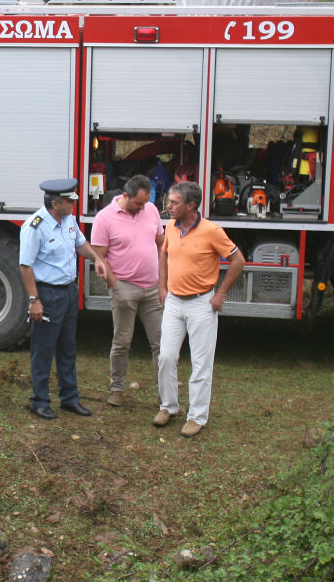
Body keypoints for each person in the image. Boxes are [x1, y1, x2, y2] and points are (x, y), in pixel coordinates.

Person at [155, 181, 245, 437]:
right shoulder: (171, 226)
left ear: (191, 206)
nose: (168, 207)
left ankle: (197, 416)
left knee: (201, 363)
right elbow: (164, 253)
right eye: (169, 202)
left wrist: (221, 293)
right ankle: (169, 406)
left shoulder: (212, 231)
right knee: (166, 357)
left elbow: (238, 259)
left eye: (173, 203)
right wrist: (163, 287)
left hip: (201, 304)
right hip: (173, 301)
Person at [19, 179, 109, 420]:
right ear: (55, 203)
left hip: (69, 292)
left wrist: (97, 259)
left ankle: (69, 398)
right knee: (43, 349)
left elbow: (80, 244)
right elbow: (26, 266)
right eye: (70, 201)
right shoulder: (35, 227)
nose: (74, 204)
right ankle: (39, 400)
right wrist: (33, 299)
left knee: (67, 347)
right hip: (47, 294)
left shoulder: (68, 220)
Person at [90, 174, 165, 408]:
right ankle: (117, 389)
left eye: (145, 203)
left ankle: (166, 395)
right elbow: (98, 256)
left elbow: (161, 243)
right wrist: (116, 286)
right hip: (124, 288)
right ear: (125, 195)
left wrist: (163, 281)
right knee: (122, 342)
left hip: (152, 289)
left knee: (162, 344)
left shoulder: (151, 210)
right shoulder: (105, 218)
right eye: (138, 204)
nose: (142, 208)